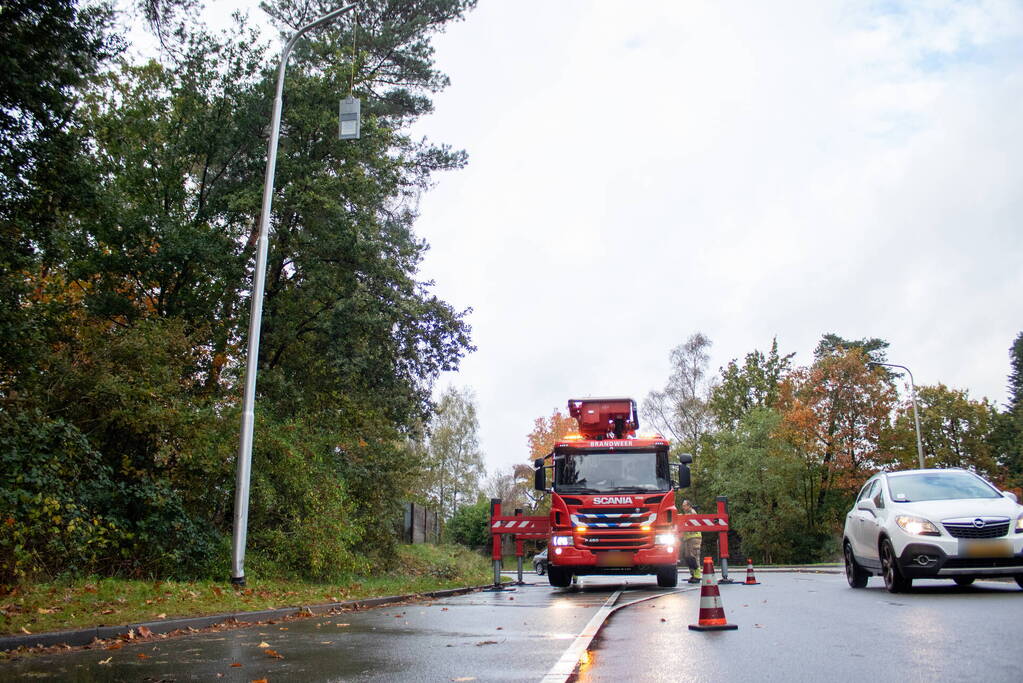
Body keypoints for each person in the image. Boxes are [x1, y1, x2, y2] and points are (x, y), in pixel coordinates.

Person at [680, 499, 702, 583]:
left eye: (684, 505)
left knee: (694, 557)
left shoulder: (692, 513)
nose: (683, 507)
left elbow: (687, 523)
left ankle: (697, 576)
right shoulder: (687, 514)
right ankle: (693, 575)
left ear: (689, 506)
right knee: (688, 557)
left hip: (694, 538)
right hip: (688, 538)